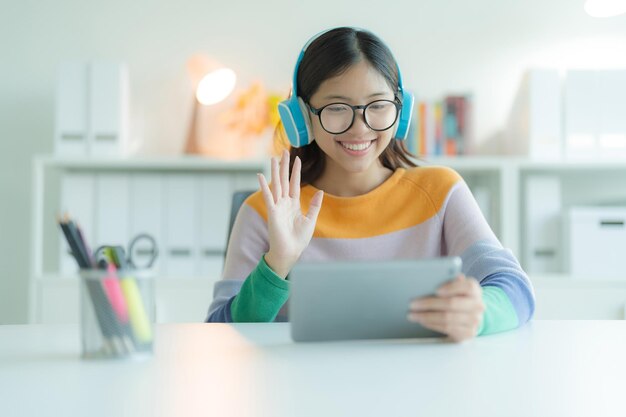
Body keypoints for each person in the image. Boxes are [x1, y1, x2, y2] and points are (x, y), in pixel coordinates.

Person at [207, 27, 535, 342]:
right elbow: (219, 333)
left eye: (378, 106)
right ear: (302, 117)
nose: (360, 128)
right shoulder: (266, 211)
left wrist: (480, 312)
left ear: (400, 111)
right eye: (336, 108)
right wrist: (277, 263)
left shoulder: (441, 192)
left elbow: (515, 289)